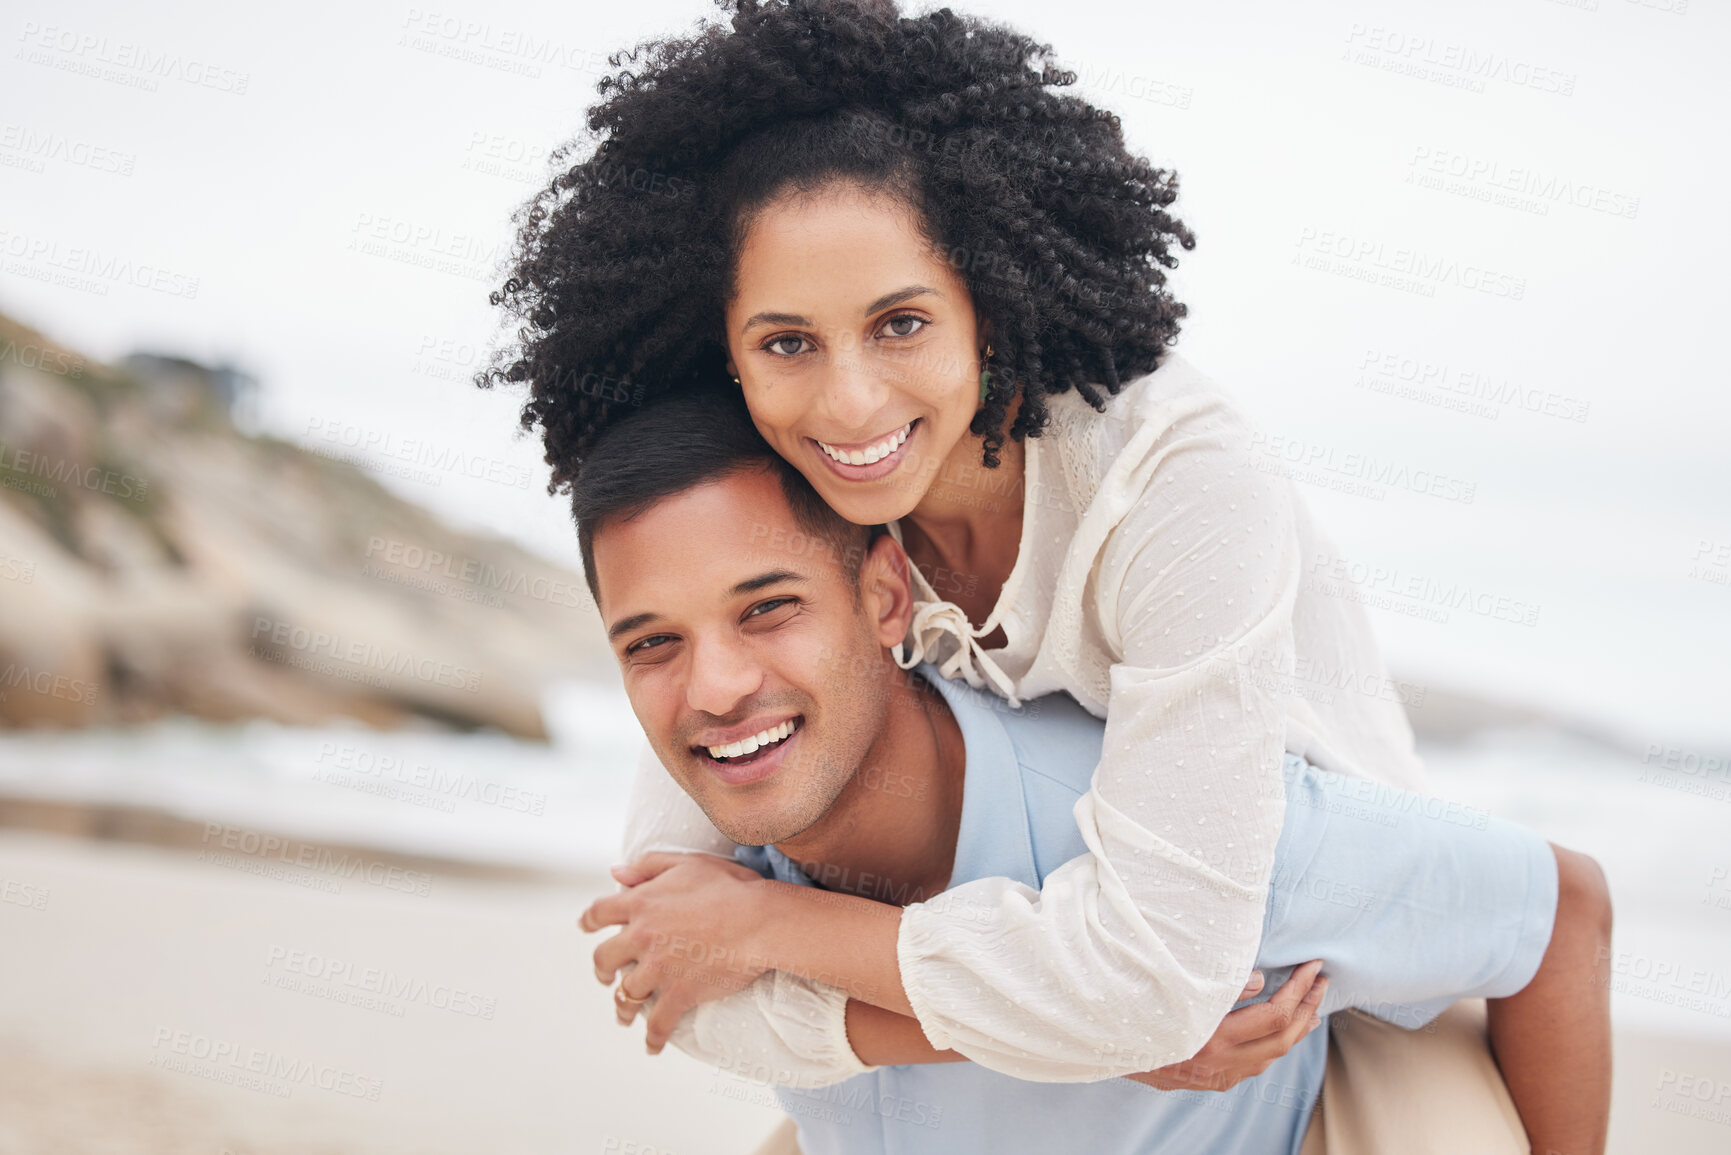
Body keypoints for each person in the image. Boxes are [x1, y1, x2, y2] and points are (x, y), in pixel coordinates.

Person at [479, 2, 1613, 1150]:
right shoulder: (789, 493)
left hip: (1309, 949)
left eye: (903, 323)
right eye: (786, 344)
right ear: (725, 351)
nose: (850, 403)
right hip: (1045, 965)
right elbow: (674, 952)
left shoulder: (1171, 482)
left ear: (987, 293)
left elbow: (1162, 979)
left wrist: (771, 923)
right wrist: (1031, 1025)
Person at [570, 392, 1601, 1154]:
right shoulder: (705, 894)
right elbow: (695, 1011)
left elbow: (1559, 906)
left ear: (889, 599)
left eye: (768, 608)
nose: (713, 687)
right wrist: (1070, 1033)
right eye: (651, 643)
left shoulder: (1174, 841)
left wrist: (1107, 1016)